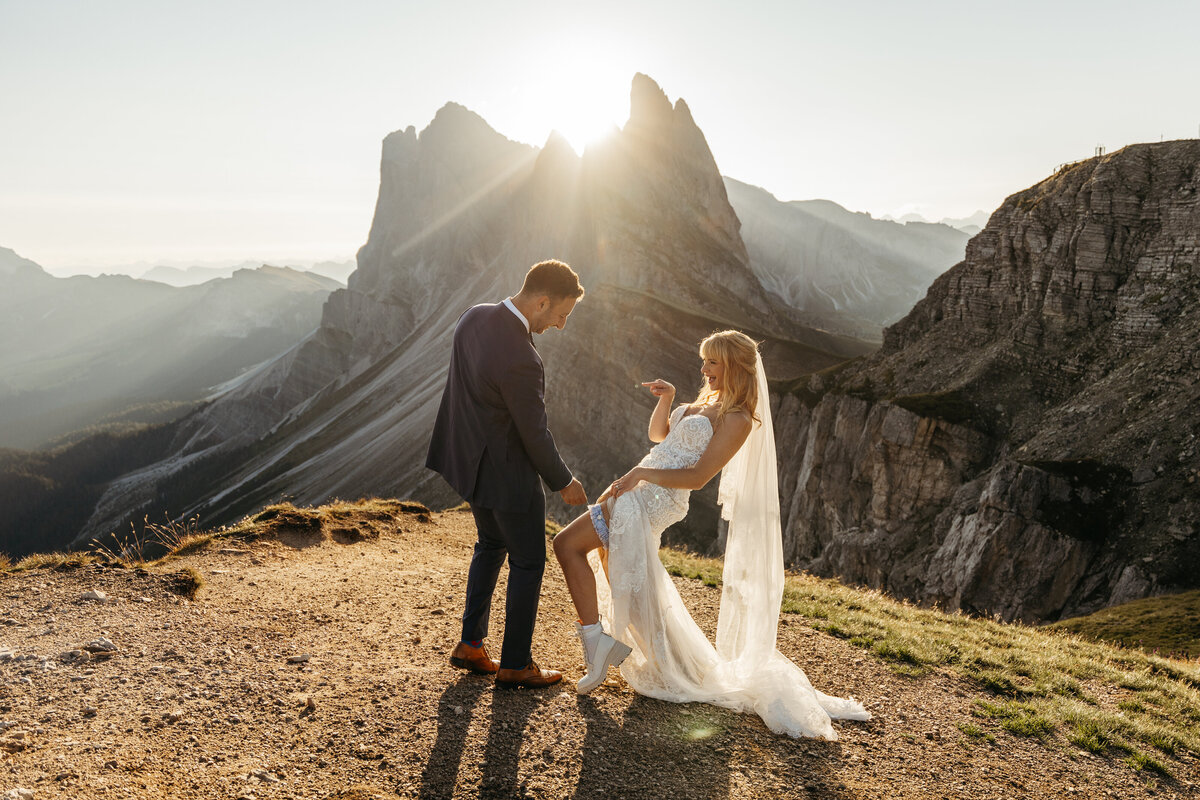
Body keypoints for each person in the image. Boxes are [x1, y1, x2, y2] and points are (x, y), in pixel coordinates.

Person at [553, 330, 871, 738]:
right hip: (637, 488)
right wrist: (668, 400)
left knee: (568, 545)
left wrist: (641, 474)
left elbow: (698, 477)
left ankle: (598, 643)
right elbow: (660, 438)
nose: (704, 369)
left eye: (713, 362)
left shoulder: (738, 418)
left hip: (655, 497)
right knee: (624, 569)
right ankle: (660, 660)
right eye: (704, 360)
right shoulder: (707, 401)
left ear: (735, 365)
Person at [426, 259, 588, 689]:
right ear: (542, 301)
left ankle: (470, 644)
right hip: (510, 477)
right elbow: (534, 434)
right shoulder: (522, 358)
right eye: (561, 314)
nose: (561, 325)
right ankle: (516, 663)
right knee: (529, 561)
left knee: (490, 545)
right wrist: (564, 481)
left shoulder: (472, 317)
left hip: (471, 465)